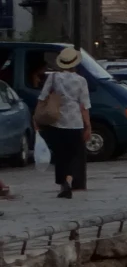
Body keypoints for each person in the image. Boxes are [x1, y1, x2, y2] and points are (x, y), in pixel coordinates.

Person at [37, 49, 93, 199]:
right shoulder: (81, 81)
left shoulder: (54, 77)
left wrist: (36, 117)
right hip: (75, 122)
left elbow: (42, 97)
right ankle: (68, 180)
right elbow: (84, 105)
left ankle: (63, 183)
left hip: (57, 120)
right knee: (73, 154)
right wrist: (88, 125)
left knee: (60, 154)